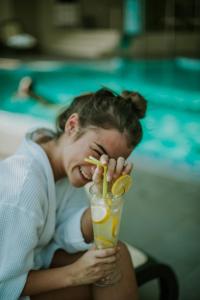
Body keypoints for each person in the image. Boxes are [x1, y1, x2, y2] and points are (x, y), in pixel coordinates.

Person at [0, 88, 147, 300]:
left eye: (109, 164)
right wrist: (75, 275)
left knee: (113, 256)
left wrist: (104, 199)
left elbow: (66, 234)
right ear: (71, 125)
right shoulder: (23, 189)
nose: (99, 170)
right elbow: (4, 286)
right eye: (97, 153)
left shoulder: (61, 160)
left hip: (35, 260)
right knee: (106, 273)